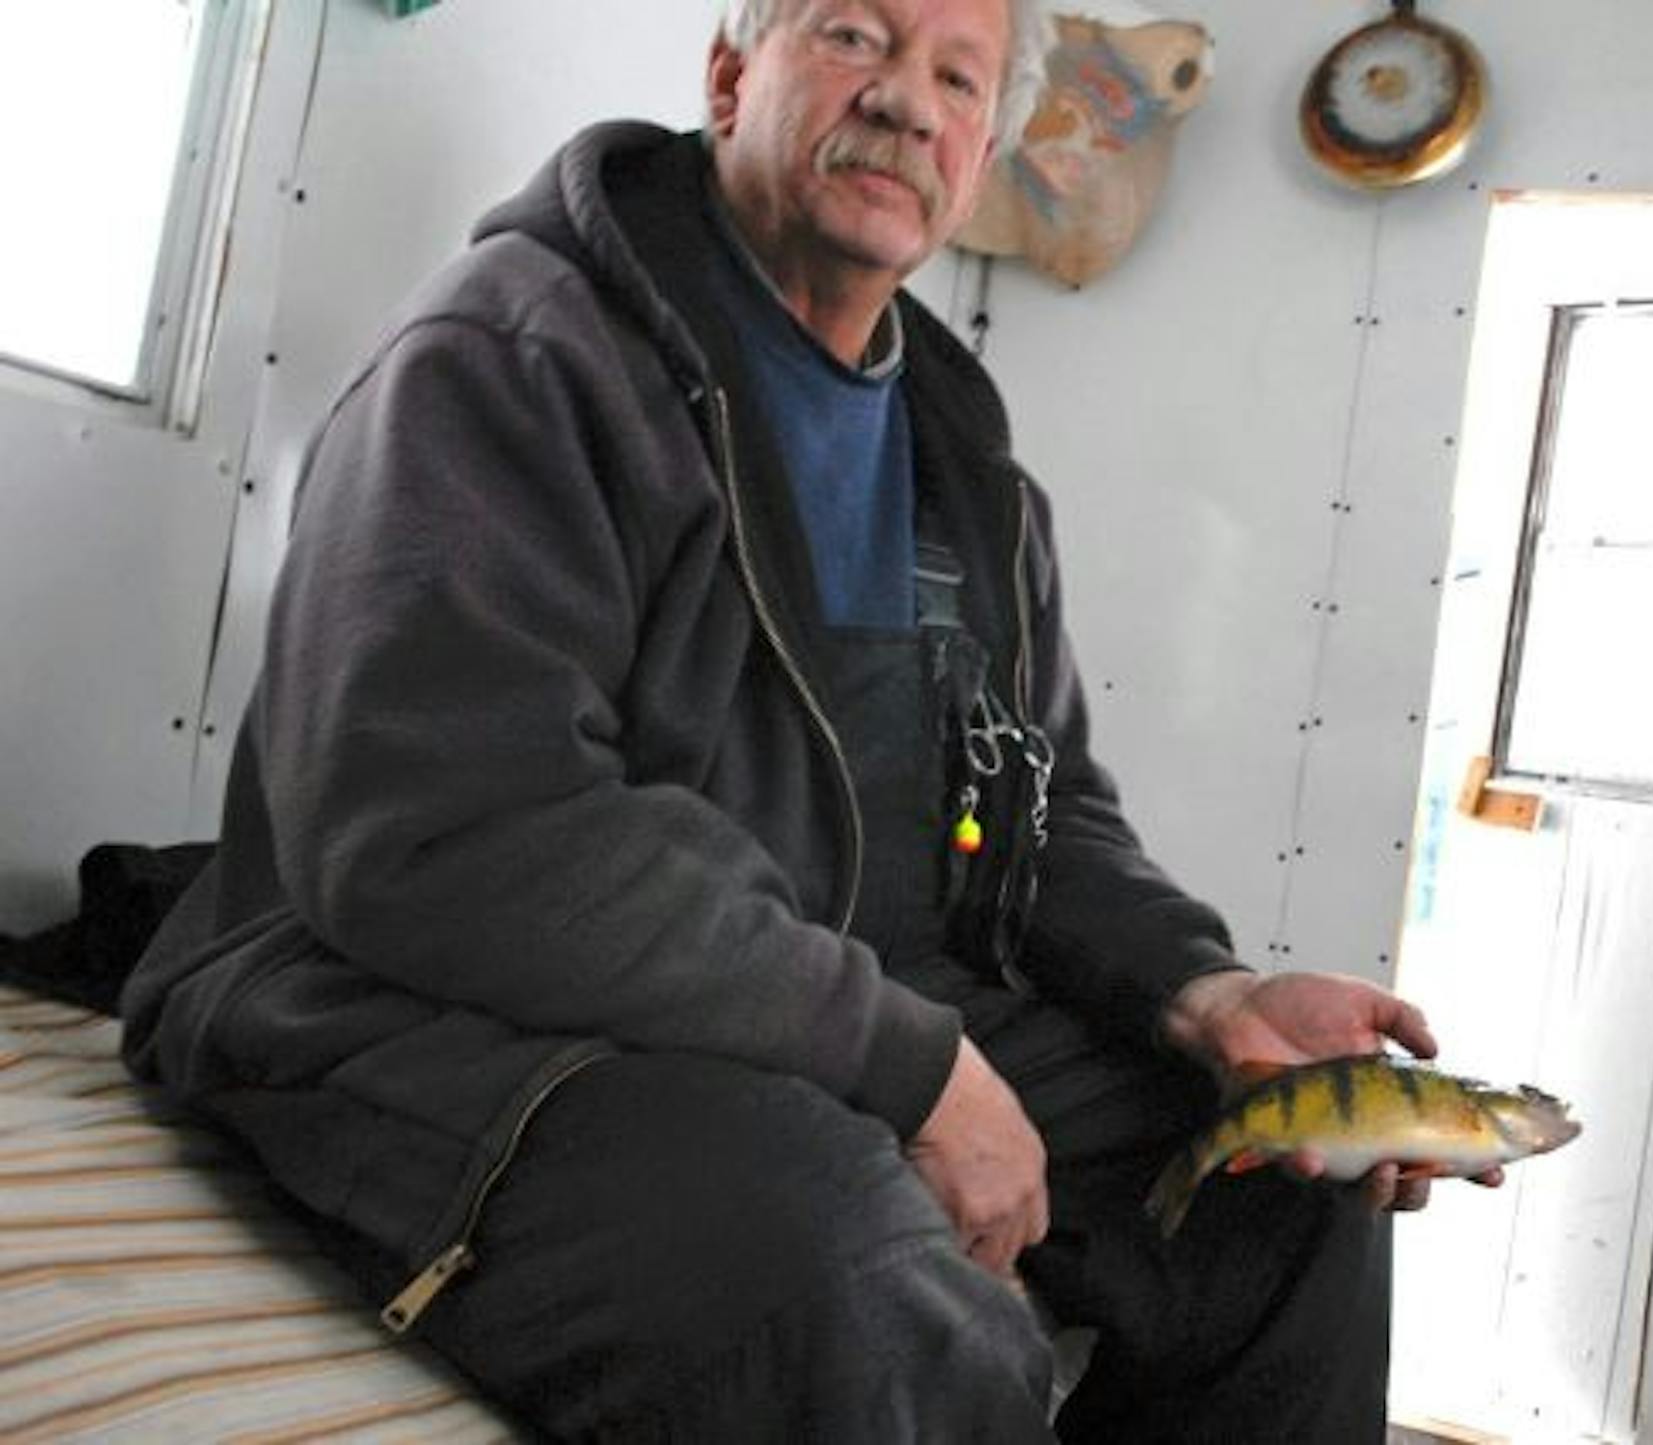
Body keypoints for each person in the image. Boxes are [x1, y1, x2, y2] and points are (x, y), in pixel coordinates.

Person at [122, 0, 1480, 1437]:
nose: (906, 102)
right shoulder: (511, 357)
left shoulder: (974, 484)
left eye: (958, 78)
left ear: (980, 156)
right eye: (854, 39)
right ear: (728, 78)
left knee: (1287, 1205)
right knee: (855, 1263)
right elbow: (455, 830)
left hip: (814, 995)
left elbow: (1041, 819)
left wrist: (1211, 997)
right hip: (421, 1001)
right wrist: (906, 1065)